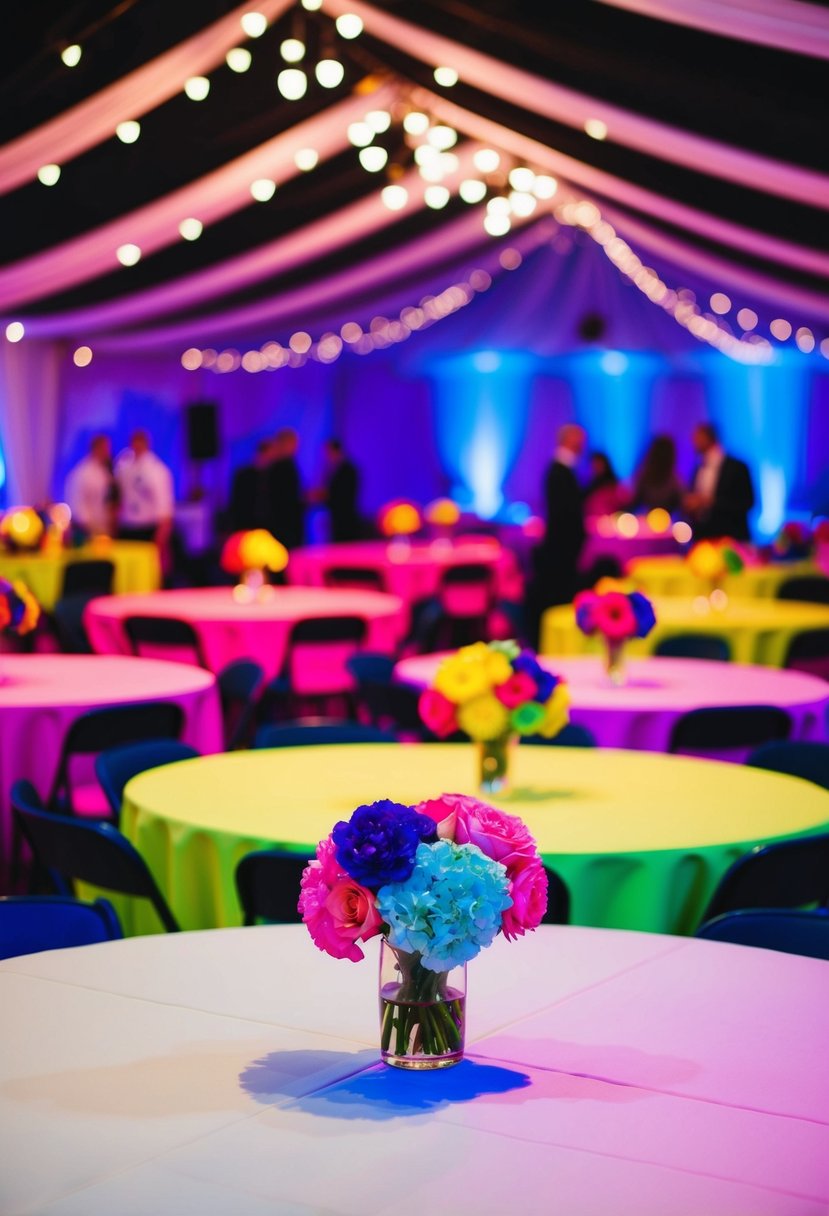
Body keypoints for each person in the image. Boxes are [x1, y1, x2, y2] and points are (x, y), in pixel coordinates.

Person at [526, 422, 587, 645]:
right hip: (561, 550)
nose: (582, 445)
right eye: (578, 440)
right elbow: (566, 515)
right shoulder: (559, 471)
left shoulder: (562, 470)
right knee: (559, 599)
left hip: (562, 548)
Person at [684, 421, 755, 540]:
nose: (693, 442)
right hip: (703, 537)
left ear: (709, 438)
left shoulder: (737, 467)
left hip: (731, 536)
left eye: (697, 437)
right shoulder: (698, 467)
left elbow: (748, 502)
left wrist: (712, 502)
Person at [115, 429, 175, 558]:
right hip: (127, 527)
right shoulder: (124, 467)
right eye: (134, 443)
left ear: (146, 444)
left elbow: (164, 506)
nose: (136, 446)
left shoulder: (157, 470)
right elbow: (119, 497)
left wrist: (161, 536)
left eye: (139, 443)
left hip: (147, 529)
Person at [65, 433, 117, 537]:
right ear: (96, 448)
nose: (108, 452)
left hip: (103, 525)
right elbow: (77, 501)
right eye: (105, 448)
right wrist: (87, 524)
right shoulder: (83, 473)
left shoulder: (104, 471)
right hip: (89, 528)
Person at [265, 427, 305, 549]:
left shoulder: (282, 465)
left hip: (286, 525)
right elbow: (284, 499)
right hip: (284, 526)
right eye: (293, 443)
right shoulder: (281, 467)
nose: (296, 447)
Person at [228, 438, 274, 532]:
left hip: (265, 524)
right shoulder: (244, 475)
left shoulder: (270, 475)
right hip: (247, 524)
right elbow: (236, 501)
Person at [630, 434, 685, 514]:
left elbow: (635, 502)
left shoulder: (643, 476)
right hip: (666, 522)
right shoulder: (675, 481)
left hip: (650, 520)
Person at [321, 438, 362, 542]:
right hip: (338, 518)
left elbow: (343, 495)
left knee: (346, 547)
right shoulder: (336, 469)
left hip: (345, 519)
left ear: (336, 451)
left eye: (329, 452)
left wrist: (325, 496)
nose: (327, 456)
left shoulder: (347, 470)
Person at [582, 451, 627, 517]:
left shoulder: (612, 486)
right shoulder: (588, 485)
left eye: (599, 464)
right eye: (594, 464)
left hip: (609, 520)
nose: (596, 467)